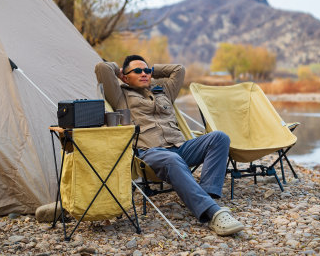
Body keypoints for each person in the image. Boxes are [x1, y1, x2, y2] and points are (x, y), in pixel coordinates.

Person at [95, 55, 244, 236]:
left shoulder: (163, 91)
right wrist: (119, 70)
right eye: (137, 71)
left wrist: (153, 70)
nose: (144, 74)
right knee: (171, 158)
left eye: (147, 71)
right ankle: (213, 213)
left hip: (180, 147)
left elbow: (179, 70)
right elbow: (102, 68)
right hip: (150, 152)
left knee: (220, 137)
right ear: (125, 77)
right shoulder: (120, 95)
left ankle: (206, 197)